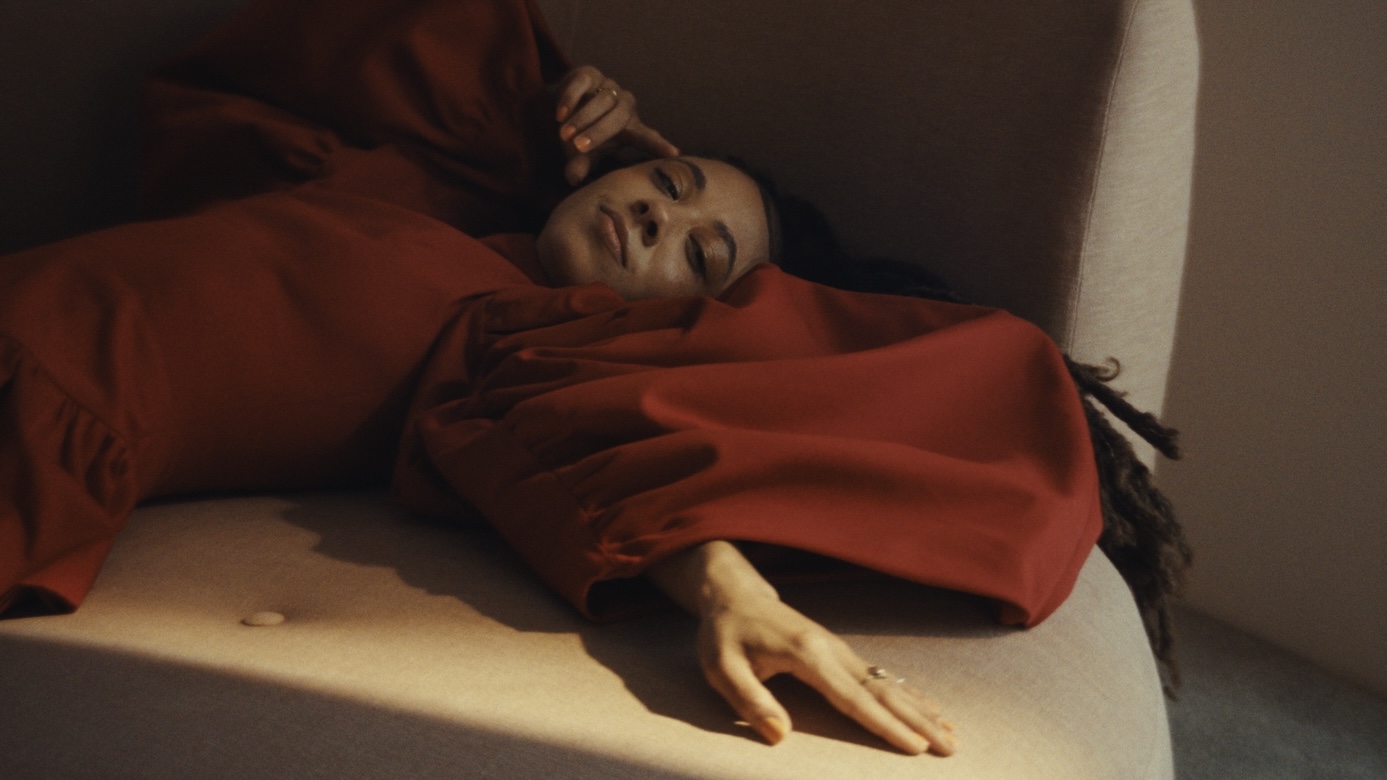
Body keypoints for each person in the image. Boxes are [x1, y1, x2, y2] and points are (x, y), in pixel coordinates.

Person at [1, 0, 1185, 760]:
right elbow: (288, 85)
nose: (658, 220)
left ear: (683, 326)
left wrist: (729, 592)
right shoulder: (443, 193)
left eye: (698, 256)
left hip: (36, 423)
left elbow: (593, 447)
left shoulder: (514, 341)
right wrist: (543, 123)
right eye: (668, 185)